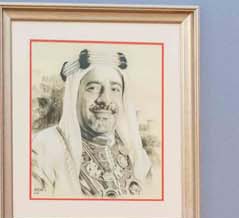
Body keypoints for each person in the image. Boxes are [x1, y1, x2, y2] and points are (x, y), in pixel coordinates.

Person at [31, 49, 154, 198]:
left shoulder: (138, 158)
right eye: (93, 88)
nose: (105, 100)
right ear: (74, 95)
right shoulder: (44, 149)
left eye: (115, 89)